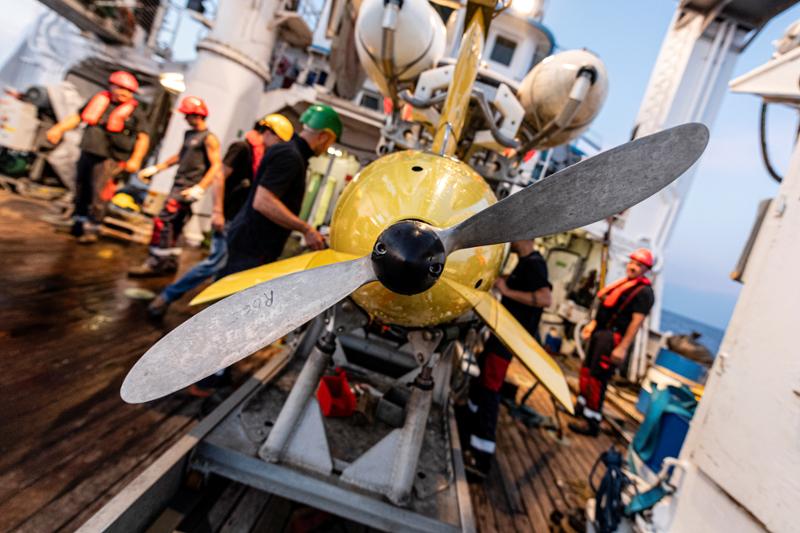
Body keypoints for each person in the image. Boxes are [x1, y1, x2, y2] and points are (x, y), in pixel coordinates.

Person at [146, 114, 295, 319]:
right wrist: (217, 211)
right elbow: (219, 176)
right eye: (278, 141)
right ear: (268, 132)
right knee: (215, 262)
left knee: (226, 268)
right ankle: (167, 296)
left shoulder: (261, 156)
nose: (278, 147)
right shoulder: (242, 148)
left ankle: (208, 314)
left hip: (238, 220)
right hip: (226, 217)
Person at [217, 103, 342, 277]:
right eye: (330, 142)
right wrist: (306, 229)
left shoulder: (290, 152)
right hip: (253, 246)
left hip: (250, 242)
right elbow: (263, 202)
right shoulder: (290, 156)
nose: (327, 148)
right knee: (233, 293)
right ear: (323, 136)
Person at [462, 239, 552, 478]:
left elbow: (545, 298)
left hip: (509, 339)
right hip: (501, 335)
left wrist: (507, 291)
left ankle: (481, 457)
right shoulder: (524, 262)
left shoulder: (534, 264)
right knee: (482, 379)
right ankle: (469, 421)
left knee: (490, 388)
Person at [45, 70, 150, 243]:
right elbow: (77, 117)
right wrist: (59, 129)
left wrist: (136, 159)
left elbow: (143, 137)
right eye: (120, 88)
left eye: (128, 91)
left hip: (110, 158)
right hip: (88, 152)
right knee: (81, 188)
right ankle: (78, 223)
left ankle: (93, 228)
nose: (124, 93)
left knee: (100, 194)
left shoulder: (136, 112)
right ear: (111, 86)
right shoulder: (99, 100)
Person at [128, 96, 222, 277]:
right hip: (178, 184)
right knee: (175, 223)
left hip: (187, 188)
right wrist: (157, 168)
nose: (184, 118)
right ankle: (170, 262)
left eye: (187, 115)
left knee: (163, 222)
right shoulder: (189, 134)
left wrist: (200, 188)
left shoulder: (209, 139)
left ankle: (156, 262)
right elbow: (180, 156)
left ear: (197, 115)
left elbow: (216, 165)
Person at [569, 248, 655, 437]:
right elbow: (605, 309)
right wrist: (593, 324)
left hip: (613, 339)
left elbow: (636, 322)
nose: (633, 267)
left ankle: (592, 422)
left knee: (597, 378)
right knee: (586, 371)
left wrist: (622, 348)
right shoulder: (624, 284)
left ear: (646, 270)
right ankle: (580, 408)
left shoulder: (644, 292)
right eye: (632, 262)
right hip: (600, 333)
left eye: (639, 265)